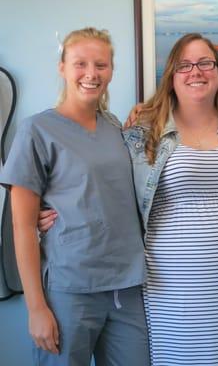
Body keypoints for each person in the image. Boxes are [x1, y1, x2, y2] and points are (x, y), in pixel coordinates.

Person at [0, 28, 149, 366]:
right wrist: (36, 308)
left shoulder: (116, 128)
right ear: (62, 67)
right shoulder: (36, 130)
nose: (91, 74)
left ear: (111, 70)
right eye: (80, 63)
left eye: (101, 65)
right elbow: (22, 228)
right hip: (70, 289)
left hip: (127, 287)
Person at [123, 33, 218, 365]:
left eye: (205, 63)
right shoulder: (146, 128)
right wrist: (52, 211)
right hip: (171, 282)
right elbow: (110, 187)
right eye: (184, 65)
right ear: (171, 75)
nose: (195, 71)